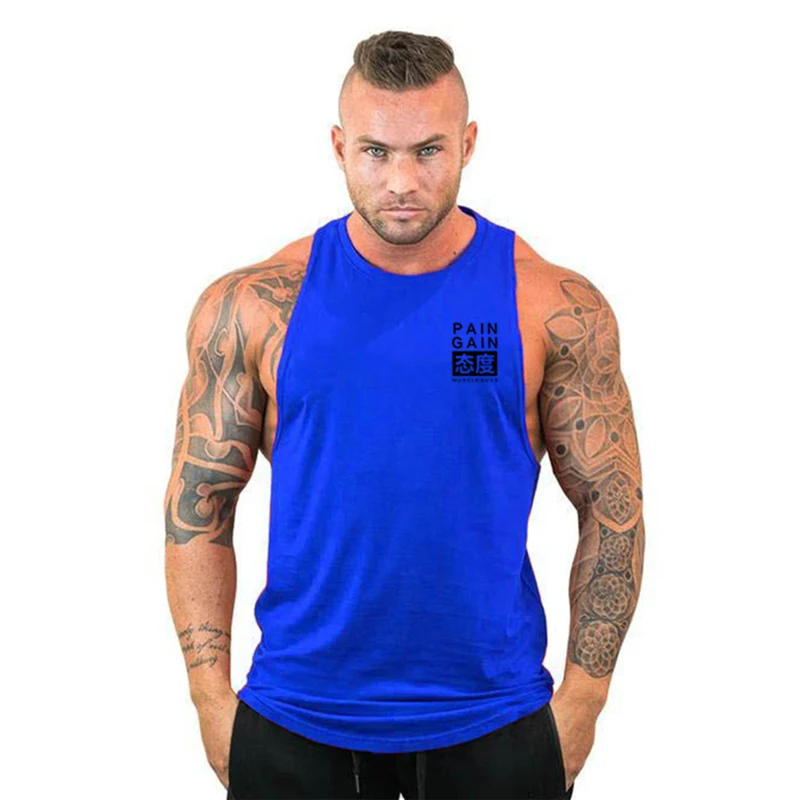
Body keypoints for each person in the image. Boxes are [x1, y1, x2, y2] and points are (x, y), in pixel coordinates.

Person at [164, 29, 645, 800]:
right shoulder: (255, 305)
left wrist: (583, 703)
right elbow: (199, 505)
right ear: (338, 147)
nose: (401, 181)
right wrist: (210, 700)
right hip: (295, 716)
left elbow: (613, 509)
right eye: (375, 152)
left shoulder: (550, 305)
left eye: (428, 151)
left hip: (494, 718)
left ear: (467, 144)